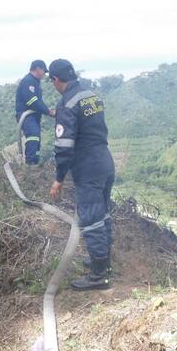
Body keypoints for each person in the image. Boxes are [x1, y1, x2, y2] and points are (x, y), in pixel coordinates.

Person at [48, 58, 114, 291]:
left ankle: (99, 276)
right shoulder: (90, 96)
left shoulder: (67, 104)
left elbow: (64, 147)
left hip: (88, 167)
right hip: (105, 161)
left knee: (91, 219)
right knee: (102, 214)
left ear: (56, 79)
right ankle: (104, 261)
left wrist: (58, 179)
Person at [15, 60, 55, 165]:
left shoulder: (35, 82)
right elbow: (32, 101)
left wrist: (47, 110)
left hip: (34, 116)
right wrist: (48, 112)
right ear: (38, 69)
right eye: (44, 71)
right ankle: (30, 164)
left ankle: (35, 163)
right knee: (33, 135)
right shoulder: (28, 81)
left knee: (36, 139)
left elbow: (39, 101)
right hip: (26, 116)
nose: (44, 74)